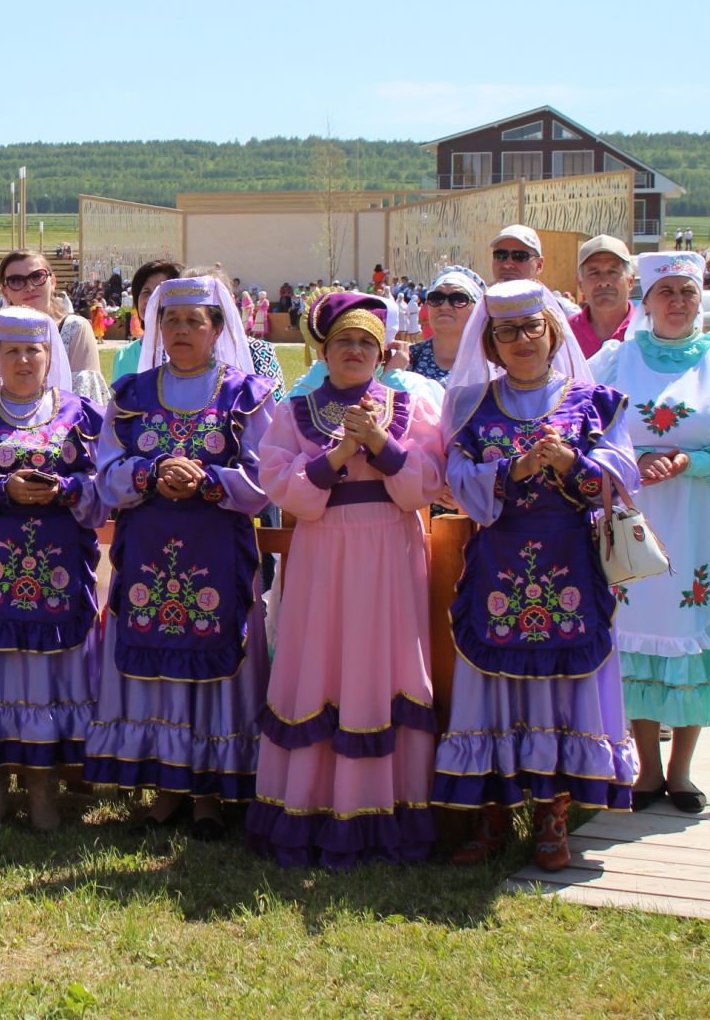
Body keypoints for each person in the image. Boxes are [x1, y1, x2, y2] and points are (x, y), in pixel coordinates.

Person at [431, 282, 640, 870]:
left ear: (552, 332)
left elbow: (624, 476)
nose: (521, 341)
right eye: (506, 332)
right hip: (498, 564)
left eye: (531, 328)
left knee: (564, 684)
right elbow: (454, 481)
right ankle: (494, 815)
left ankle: (552, 815)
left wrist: (574, 462)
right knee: (494, 683)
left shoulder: (593, 400)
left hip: (572, 560)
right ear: (491, 344)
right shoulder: (470, 404)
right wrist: (514, 467)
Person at [249, 292, 445, 869]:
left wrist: (381, 444)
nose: (354, 351)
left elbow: (423, 486)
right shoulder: (295, 410)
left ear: (383, 352)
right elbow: (283, 491)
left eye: (366, 342)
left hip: (390, 546)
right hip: (323, 551)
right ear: (323, 350)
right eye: (343, 342)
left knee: (384, 663)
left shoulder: (410, 406)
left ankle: (387, 808)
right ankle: (309, 806)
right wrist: (338, 455)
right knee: (322, 661)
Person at [87, 278, 275, 841]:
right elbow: (105, 472)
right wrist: (150, 474)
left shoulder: (247, 394)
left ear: (218, 328)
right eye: (172, 321)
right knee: (159, 660)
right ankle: (167, 786)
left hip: (218, 552)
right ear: (155, 328)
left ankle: (211, 792)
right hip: (148, 551)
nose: (183, 331)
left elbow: (266, 477)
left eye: (196, 321)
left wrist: (207, 480)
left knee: (215, 662)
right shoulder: (131, 394)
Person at [591, 253, 710, 814]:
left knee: (695, 626)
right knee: (639, 628)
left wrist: (690, 463)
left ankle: (683, 770)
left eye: (687, 292)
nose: (676, 302)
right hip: (635, 523)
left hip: (702, 522)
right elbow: (589, 435)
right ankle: (646, 766)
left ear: (702, 300)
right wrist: (632, 462)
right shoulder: (616, 362)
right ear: (643, 300)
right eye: (664, 291)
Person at [0, 307, 107, 830]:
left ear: (50, 355)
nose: (24, 360)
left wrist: (68, 489)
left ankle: (43, 787)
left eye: (34, 350)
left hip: (58, 571)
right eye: (12, 351)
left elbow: (105, 491)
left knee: (47, 677)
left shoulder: (82, 415)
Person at [0, 251, 108, 405]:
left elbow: (84, 399)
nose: (29, 287)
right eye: (16, 281)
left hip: (56, 428)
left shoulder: (74, 328)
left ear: (52, 282)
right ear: (5, 291)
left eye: (37, 276)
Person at [405, 266, 485, 384]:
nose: (445, 306)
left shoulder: (494, 361)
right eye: (436, 298)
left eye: (458, 299)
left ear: (477, 308)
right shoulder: (408, 358)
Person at [111, 259, 184, 383]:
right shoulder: (124, 356)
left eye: (160, 292)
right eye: (146, 292)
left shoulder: (190, 352)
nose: (151, 300)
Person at [569, 236, 636, 359]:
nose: (604, 282)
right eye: (594, 273)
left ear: (630, 281)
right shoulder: (564, 335)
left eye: (612, 272)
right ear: (580, 284)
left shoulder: (649, 331)